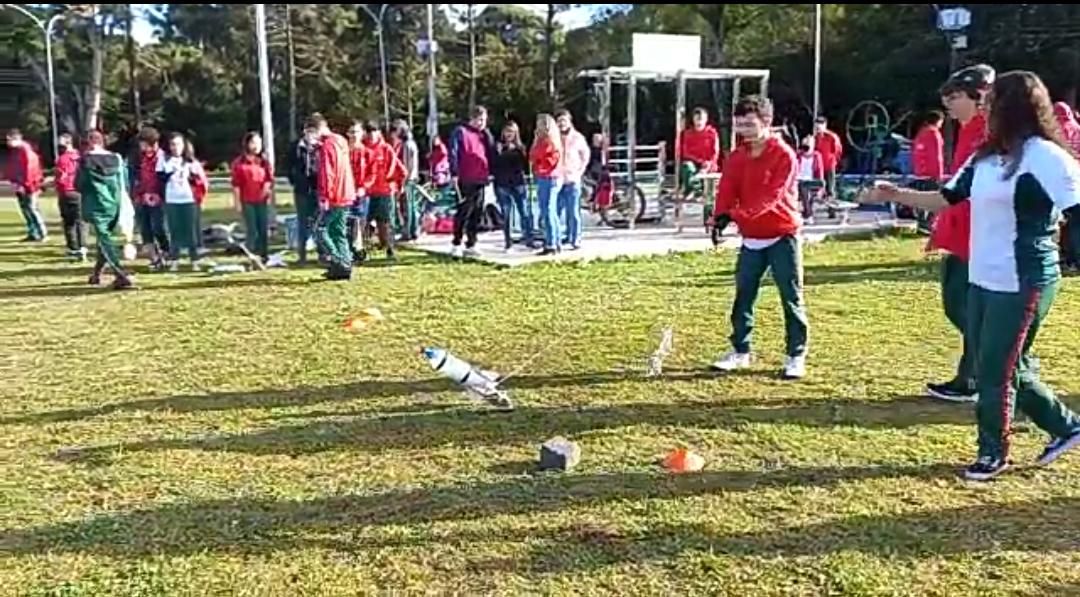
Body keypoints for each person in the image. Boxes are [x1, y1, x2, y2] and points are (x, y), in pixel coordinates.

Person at [863, 71, 1080, 481]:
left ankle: (992, 452)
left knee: (995, 370)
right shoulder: (985, 154)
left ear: (1014, 107)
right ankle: (1066, 425)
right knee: (995, 362)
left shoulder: (1046, 157)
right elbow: (947, 198)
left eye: (991, 100)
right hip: (983, 274)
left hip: (1024, 278)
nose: (983, 108)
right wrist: (895, 194)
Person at [710, 95, 808, 380]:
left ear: (767, 122)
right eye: (739, 125)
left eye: (750, 125)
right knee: (744, 295)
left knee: (791, 296)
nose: (745, 131)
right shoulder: (737, 156)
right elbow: (727, 189)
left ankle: (796, 355)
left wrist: (735, 216)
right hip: (751, 238)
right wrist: (719, 217)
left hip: (782, 235)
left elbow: (771, 197)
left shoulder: (784, 155)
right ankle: (740, 351)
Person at [925, 64, 995, 403]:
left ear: (979, 98)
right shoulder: (969, 130)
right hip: (962, 232)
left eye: (954, 97)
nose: (948, 104)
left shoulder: (989, 133)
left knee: (966, 307)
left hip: (980, 235)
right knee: (959, 304)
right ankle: (976, 372)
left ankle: (994, 368)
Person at [78, 130, 135, 290]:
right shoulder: (116, 158)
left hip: (96, 204)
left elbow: (79, 184)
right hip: (115, 203)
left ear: (89, 142)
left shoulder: (86, 161)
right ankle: (96, 274)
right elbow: (125, 181)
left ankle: (120, 274)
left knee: (104, 240)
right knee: (104, 240)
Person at [306, 113, 355, 280]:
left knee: (320, 229)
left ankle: (338, 261)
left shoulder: (327, 146)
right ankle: (345, 264)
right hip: (347, 192)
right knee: (338, 231)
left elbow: (328, 173)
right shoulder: (340, 140)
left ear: (314, 130)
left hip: (335, 195)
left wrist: (325, 197)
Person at [448, 105, 496, 258]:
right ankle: (456, 242)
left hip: (481, 177)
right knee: (464, 210)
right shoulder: (460, 132)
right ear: (473, 119)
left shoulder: (484, 135)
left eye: (484, 120)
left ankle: (472, 242)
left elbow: (491, 153)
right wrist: (454, 172)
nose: (482, 123)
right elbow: (453, 152)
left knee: (478, 210)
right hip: (465, 177)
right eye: (480, 120)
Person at [157, 132, 207, 271]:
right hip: (172, 199)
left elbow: (199, 182)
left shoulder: (191, 162)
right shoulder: (164, 160)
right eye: (172, 144)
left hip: (188, 199)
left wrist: (190, 175)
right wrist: (170, 173)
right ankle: (174, 260)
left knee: (191, 230)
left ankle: (194, 260)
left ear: (184, 145)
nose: (175, 147)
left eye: (178, 144)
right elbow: (159, 179)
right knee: (174, 231)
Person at [363, 121, 406, 262]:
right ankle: (363, 249)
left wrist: (399, 186)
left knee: (385, 222)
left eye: (374, 131)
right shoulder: (362, 148)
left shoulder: (386, 149)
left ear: (379, 132)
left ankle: (389, 248)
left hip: (384, 191)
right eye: (368, 131)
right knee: (364, 222)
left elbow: (400, 170)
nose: (371, 135)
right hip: (366, 192)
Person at [230, 132, 274, 262]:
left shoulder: (263, 161)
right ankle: (251, 255)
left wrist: (266, 190)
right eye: (253, 143)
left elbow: (269, 178)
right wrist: (237, 202)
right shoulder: (239, 163)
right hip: (247, 200)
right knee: (252, 230)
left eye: (259, 143)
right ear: (247, 144)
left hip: (262, 200)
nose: (256, 146)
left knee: (263, 228)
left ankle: (264, 254)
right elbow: (236, 184)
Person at [131, 127, 169, 270]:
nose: (141, 147)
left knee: (159, 228)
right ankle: (154, 259)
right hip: (142, 199)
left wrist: (158, 195)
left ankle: (166, 253)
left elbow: (164, 181)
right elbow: (137, 178)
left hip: (158, 200)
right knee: (145, 230)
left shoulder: (163, 158)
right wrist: (138, 195)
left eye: (143, 144)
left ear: (152, 143)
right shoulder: (140, 159)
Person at [492, 121, 534, 252]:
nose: (508, 134)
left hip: (518, 183)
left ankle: (529, 239)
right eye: (506, 131)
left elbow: (526, 165)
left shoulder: (520, 148)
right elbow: (493, 163)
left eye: (511, 132)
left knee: (524, 212)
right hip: (502, 183)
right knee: (506, 213)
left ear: (516, 133)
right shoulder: (497, 147)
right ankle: (508, 241)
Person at [555, 109, 590, 250]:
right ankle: (558, 237)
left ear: (569, 121)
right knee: (555, 210)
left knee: (573, 212)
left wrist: (579, 172)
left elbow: (585, 156)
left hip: (572, 179)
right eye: (559, 121)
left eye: (564, 120)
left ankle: (575, 238)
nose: (562, 124)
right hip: (556, 180)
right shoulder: (553, 137)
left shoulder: (577, 138)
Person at [287, 121, 321, 264]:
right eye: (308, 130)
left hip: (316, 189)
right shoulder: (296, 147)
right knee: (303, 222)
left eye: (313, 131)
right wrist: (295, 180)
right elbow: (288, 166)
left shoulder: (320, 148)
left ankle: (322, 254)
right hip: (301, 190)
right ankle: (302, 255)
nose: (310, 134)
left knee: (318, 222)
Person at [4, 129, 47, 242]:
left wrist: (25, 185)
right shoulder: (15, 152)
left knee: (32, 209)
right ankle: (33, 232)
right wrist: (13, 181)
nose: (7, 143)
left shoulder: (26, 152)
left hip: (30, 186)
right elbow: (12, 168)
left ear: (17, 139)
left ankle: (42, 233)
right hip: (19, 186)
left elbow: (30, 170)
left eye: (9, 140)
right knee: (25, 210)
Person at [531, 114, 563, 256]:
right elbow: (532, 155)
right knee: (548, 210)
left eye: (542, 124)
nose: (540, 127)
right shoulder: (540, 141)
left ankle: (551, 243)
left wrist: (539, 164)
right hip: (542, 176)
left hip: (550, 176)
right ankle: (555, 241)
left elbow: (550, 160)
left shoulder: (551, 142)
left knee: (548, 210)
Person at [910, 111, 946, 232]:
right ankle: (930, 222)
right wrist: (939, 174)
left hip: (920, 172)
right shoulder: (934, 133)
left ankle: (920, 222)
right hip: (931, 172)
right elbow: (936, 155)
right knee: (935, 199)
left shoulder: (921, 133)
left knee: (920, 197)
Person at [1055, 102, 1080, 270]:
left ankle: (1067, 256)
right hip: (1077, 177)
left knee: (1058, 219)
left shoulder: (1057, 131)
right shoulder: (1077, 128)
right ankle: (1073, 257)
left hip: (1060, 179)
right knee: (1075, 221)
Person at [678, 107, 722, 200]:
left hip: (708, 164)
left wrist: (709, 163)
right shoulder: (688, 134)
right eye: (696, 119)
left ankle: (702, 192)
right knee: (687, 166)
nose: (699, 122)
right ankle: (693, 190)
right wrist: (699, 161)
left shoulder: (712, 133)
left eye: (701, 119)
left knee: (707, 176)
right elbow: (685, 152)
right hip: (694, 163)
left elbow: (715, 152)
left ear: (706, 120)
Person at [55, 133, 85, 260]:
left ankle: (73, 248)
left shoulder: (62, 159)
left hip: (66, 191)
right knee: (80, 221)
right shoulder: (81, 157)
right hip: (79, 192)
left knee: (69, 222)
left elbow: (61, 177)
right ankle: (82, 246)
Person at [347, 121, 373, 263]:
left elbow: (372, 173)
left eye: (356, 132)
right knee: (347, 221)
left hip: (361, 193)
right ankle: (350, 249)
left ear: (362, 134)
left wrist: (364, 187)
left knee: (360, 221)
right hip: (346, 192)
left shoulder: (367, 153)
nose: (353, 135)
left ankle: (360, 248)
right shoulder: (344, 152)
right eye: (351, 132)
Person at [393, 120, 421, 242]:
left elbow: (406, 165)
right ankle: (414, 230)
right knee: (412, 206)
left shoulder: (406, 145)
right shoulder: (411, 144)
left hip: (408, 179)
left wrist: (404, 181)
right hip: (412, 178)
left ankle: (408, 232)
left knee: (408, 207)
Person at [795, 136, 824, 223]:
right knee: (804, 190)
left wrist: (821, 186)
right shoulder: (798, 155)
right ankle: (808, 215)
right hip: (799, 179)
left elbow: (820, 170)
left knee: (807, 192)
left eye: (809, 144)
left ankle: (807, 214)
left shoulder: (817, 156)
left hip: (811, 180)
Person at [813, 116, 843, 199]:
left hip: (829, 163)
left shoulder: (831, 136)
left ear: (825, 125)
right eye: (816, 126)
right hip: (819, 165)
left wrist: (835, 160)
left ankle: (831, 200)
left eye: (820, 125)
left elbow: (837, 150)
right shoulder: (815, 137)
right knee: (819, 184)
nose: (818, 127)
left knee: (830, 185)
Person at [428, 136, 452, 204]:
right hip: (437, 168)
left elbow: (444, 153)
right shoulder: (435, 149)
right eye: (433, 141)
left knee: (442, 184)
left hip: (441, 168)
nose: (434, 142)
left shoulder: (441, 147)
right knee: (438, 184)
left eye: (436, 140)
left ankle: (443, 199)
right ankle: (440, 198)